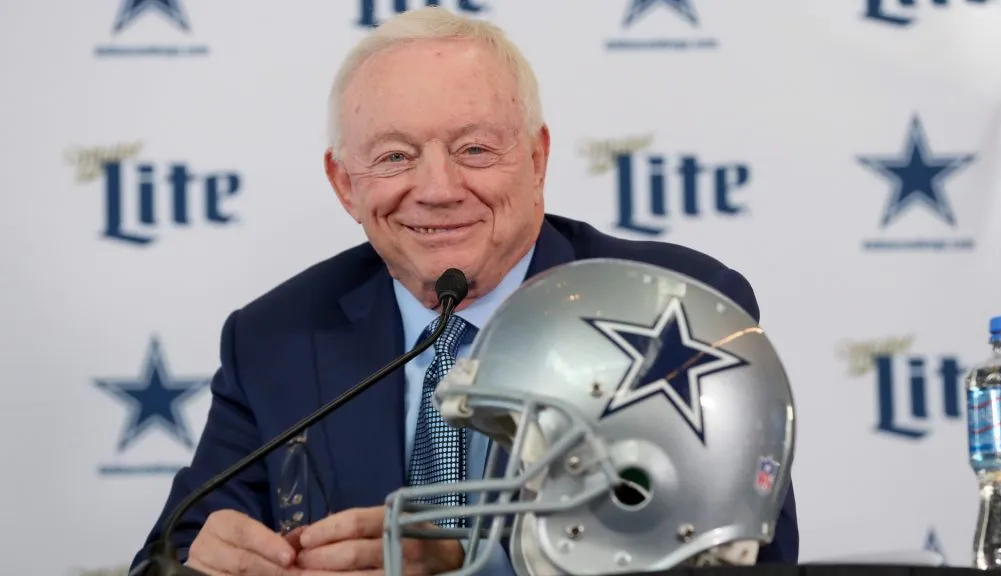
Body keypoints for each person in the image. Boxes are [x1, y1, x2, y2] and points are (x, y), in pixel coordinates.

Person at [130, 6, 799, 575]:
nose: (439, 189)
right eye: (394, 156)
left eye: (474, 149)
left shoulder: (672, 305)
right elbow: (170, 549)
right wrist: (201, 564)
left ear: (536, 160)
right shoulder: (274, 338)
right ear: (344, 185)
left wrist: (472, 561)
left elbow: (744, 555)